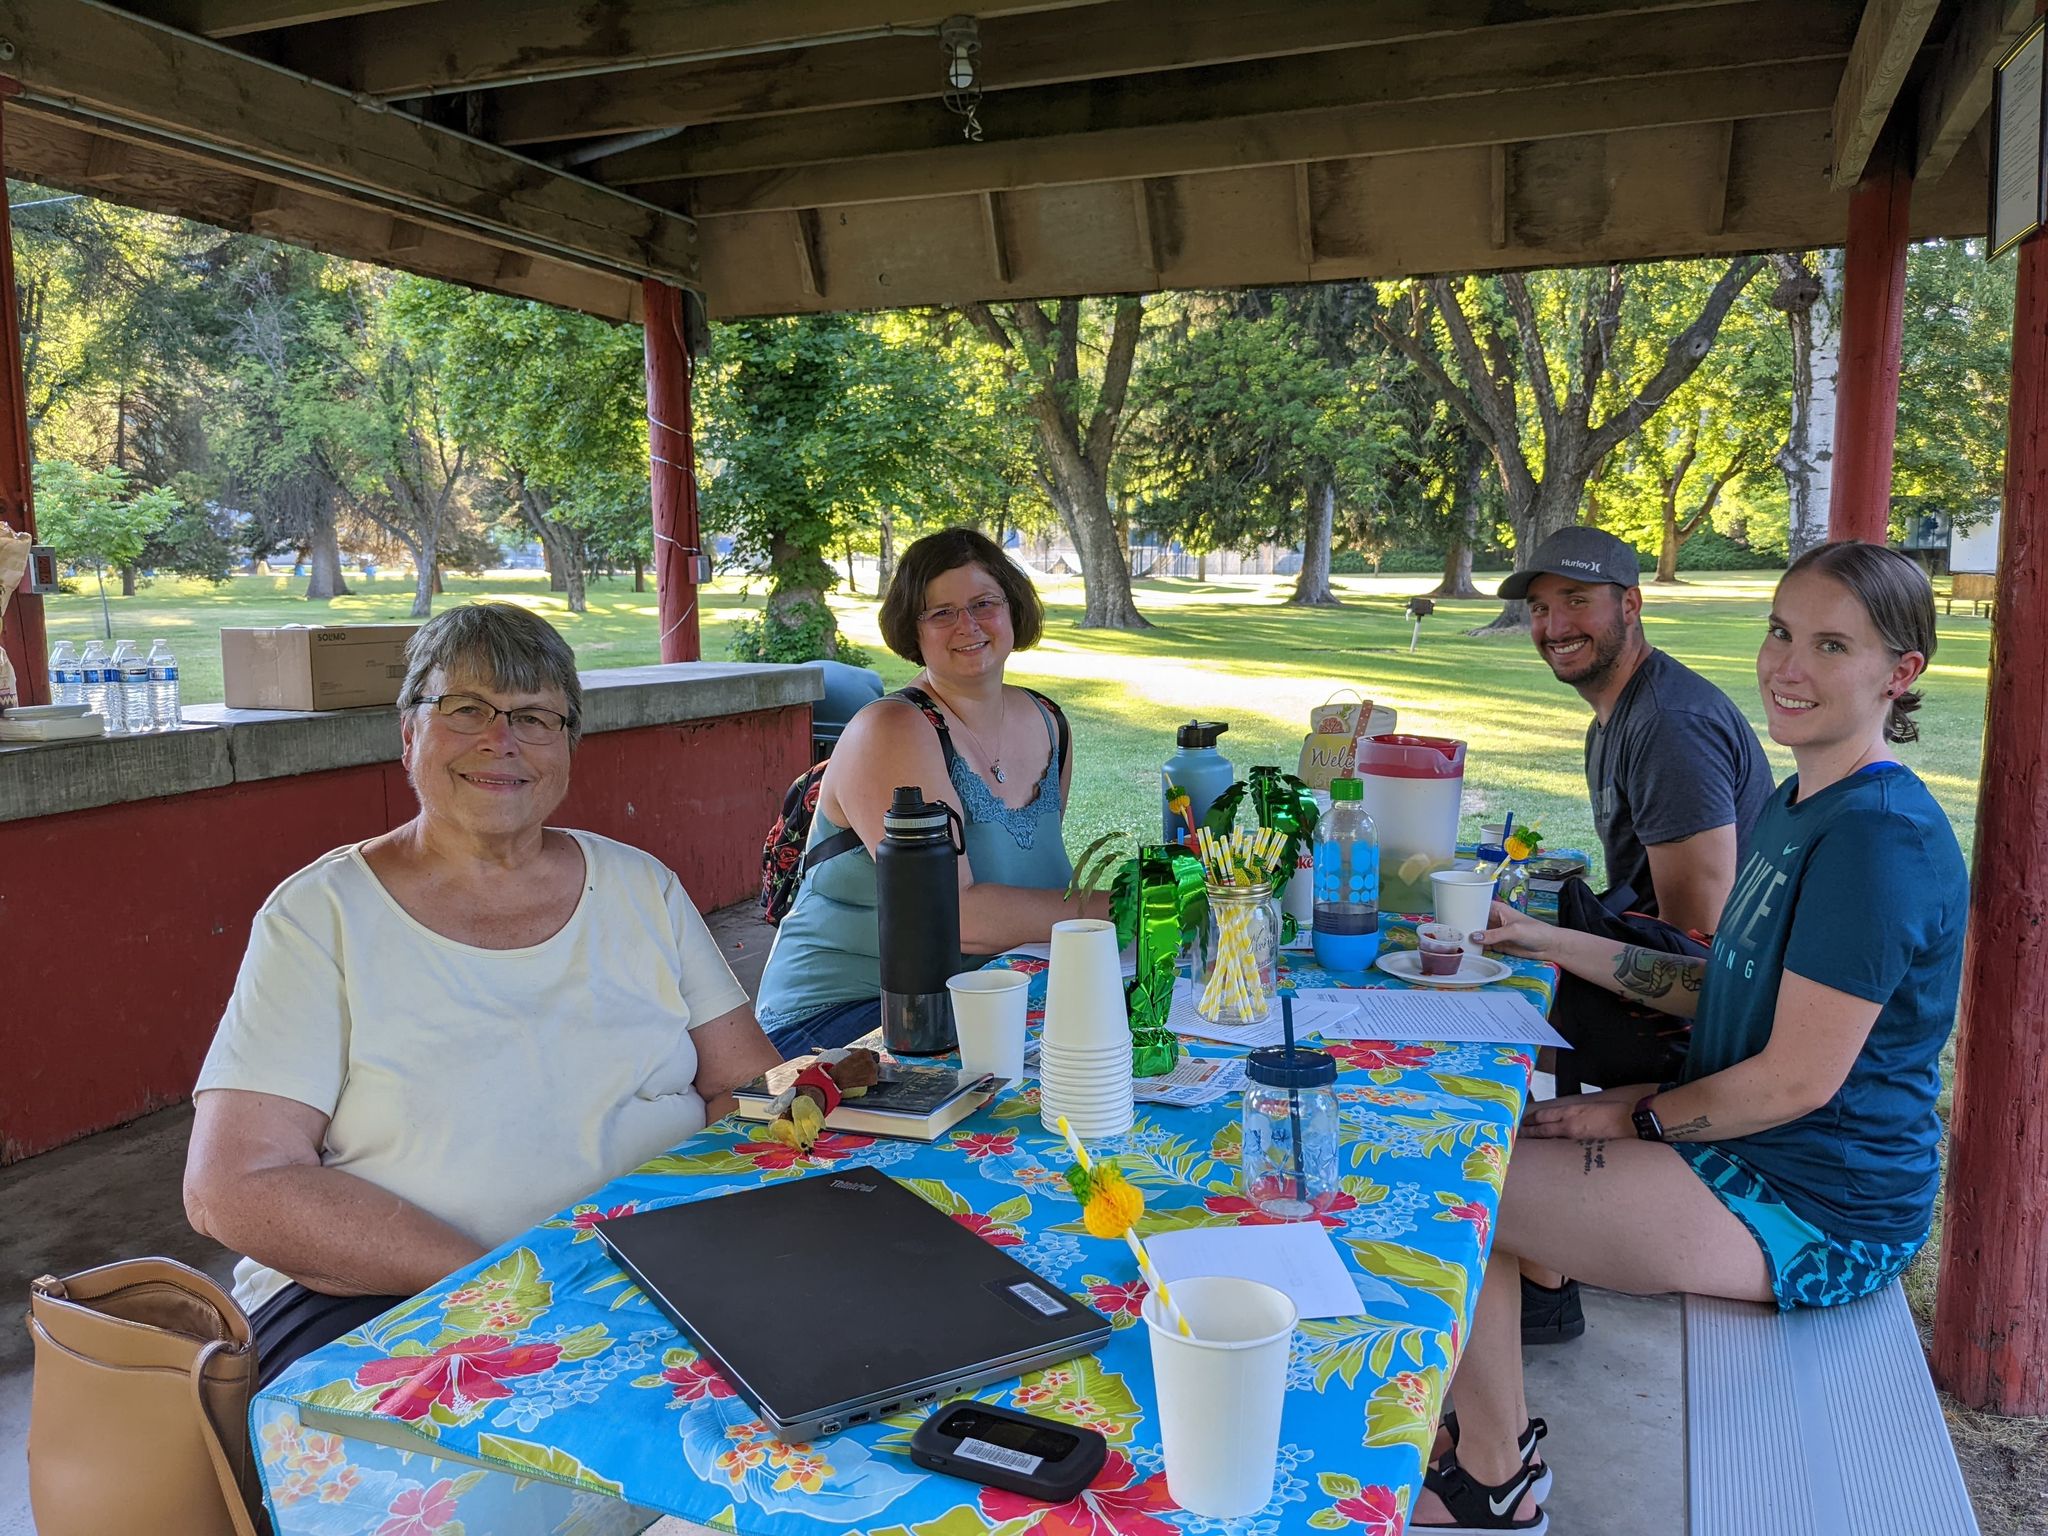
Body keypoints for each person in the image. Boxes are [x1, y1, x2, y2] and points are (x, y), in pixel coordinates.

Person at [1413, 542, 1968, 1534]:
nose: (1785, 666)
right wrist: (1546, 939)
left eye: (1829, 645)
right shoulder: (1804, 800)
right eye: (1778, 632)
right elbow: (1725, 986)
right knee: (1474, 1157)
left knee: (1462, 1194)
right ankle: (1489, 1445)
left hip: (1818, 1204)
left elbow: (1793, 1078)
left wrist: (1632, 1116)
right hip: (1756, 1152)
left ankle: (1489, 1479)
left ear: (1899, 672)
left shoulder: (1879, 837)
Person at [183, 604, 781, 1386]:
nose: (500, 741)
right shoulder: (321, 915)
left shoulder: (639, 885)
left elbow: (749, 1086)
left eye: (535, 717)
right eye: (466, 710)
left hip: (644, 1268)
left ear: (568, 749)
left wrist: (691, 1227)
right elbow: (235, 1187)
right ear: (409, 735)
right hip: (392, 1293)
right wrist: (510, 1283)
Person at [1501, 527, 1775, 1343]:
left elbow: (1699, 938)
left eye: (1576, 602)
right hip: (1672, 994)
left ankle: (1544, 1267)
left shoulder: (1669, 725)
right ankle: (1543, 1255)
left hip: (1711, 1029)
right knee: (1467, 988)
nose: (1554, 626)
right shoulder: (1618, 715)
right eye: (1542, 609)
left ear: (1631, 604)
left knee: (1465, 1034)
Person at [755, 526, 1109, 1056]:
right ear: (912, 631)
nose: (967, 625)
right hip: (844, 1014)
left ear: (1013, 610)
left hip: (979, 992)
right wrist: (1124, 908)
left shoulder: (1048, 721)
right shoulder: (892, 729)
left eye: (984, 603)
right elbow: (955, 916)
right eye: (940, 613)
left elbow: (1020, 888)